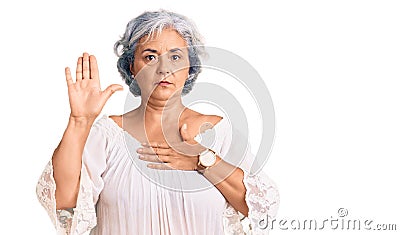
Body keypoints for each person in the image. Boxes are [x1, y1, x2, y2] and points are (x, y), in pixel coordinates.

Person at [36, 9, 279, 235]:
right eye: (150, 57)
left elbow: (262, 208)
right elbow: (64, 205)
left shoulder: (217, 131)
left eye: (175, 57)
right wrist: (80, 121)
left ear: (189, 68)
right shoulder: (107, 135)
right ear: (132, 67)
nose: (164, 68)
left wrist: (200, 161)